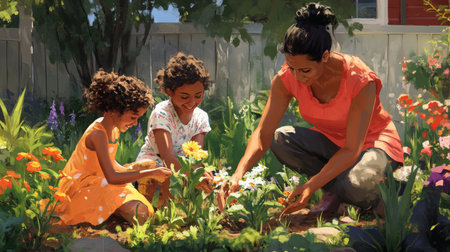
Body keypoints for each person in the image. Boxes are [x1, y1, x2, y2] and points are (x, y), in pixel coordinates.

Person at [217, 2, 403, 216]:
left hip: (373, 144)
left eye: (305, 70)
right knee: (281, 139)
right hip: (332, 144)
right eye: (291, 67)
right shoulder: (286, 78)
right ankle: (337, 195)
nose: (297, 76)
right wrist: (238, 174)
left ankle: (383, 194)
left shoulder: (359, 79)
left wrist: (311, 185)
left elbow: (352, 149)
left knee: (354, 185)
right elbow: (263, 134)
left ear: (324, 56)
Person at [55, 70, 172, 226]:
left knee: (144, 212)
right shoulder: (98, 134)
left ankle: (110, 215)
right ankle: (105, 216)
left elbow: (109, 165)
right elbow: (112, 176)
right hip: (82, 188)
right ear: (112, 110)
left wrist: (129, 170)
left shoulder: (114, 129)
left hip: (101, 182)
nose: (135, 123)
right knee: (139, 213)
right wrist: (150, 172)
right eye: (133, 117)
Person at [136, 52, 213, 207]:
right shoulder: (162, 113)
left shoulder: (200, 118)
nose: (192, 102)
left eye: (198, 96)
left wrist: (201, 175)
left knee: (189, 181)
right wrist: (193, 176)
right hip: (153, 166)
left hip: (181, 168)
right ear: (170, 92)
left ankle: (171, 212)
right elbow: (168, 158)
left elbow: (195, 157)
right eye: (185, 97)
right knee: (167, 174)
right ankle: (152, 211)